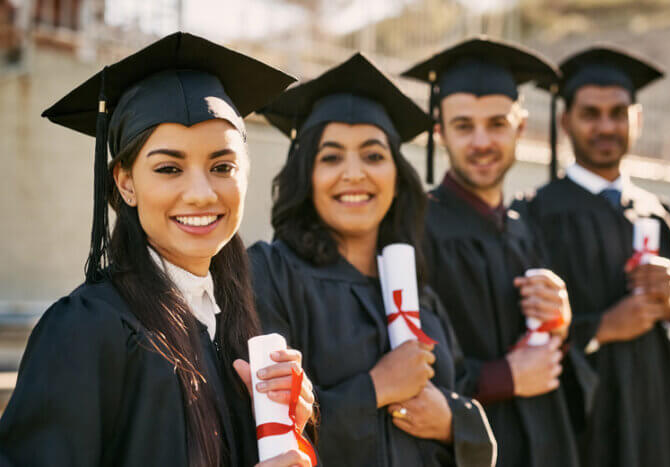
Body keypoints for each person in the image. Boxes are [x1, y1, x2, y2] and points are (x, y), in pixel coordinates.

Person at [0, 32, 316, 467]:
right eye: (169, 168)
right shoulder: (86, 331)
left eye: (222, 166)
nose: (202, 194)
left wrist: (288, 428)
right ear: (125, 183)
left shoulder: (240, 319)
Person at [248, 53, 497, 467]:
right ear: (305, 174)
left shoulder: (419, 298)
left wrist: (453, 423)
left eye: (374, 155)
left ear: (398, 178)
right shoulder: (271, 274)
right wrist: (376, 389)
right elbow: (262, 422)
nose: (354, 173)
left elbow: (465, 397)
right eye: (330, 157)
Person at [514, 45, 670, 467]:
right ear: (565, 122)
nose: (606, 126)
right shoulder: (535, 213)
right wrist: (601, 328)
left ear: (637, 119)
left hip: (656, 423)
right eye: (590, 114)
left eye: (618, 113)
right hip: (581, 429)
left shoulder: (658, 213)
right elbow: (513, 328)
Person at [402, 37, 595, 467]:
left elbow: (557, 366)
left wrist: (559, 327)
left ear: (521, 127)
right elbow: (403, 361)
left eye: (497, 123)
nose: (482, 141)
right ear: (440, 132)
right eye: (464, 125)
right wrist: (503, 378)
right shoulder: (414, 229)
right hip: (465, 450)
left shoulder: (528, 228)